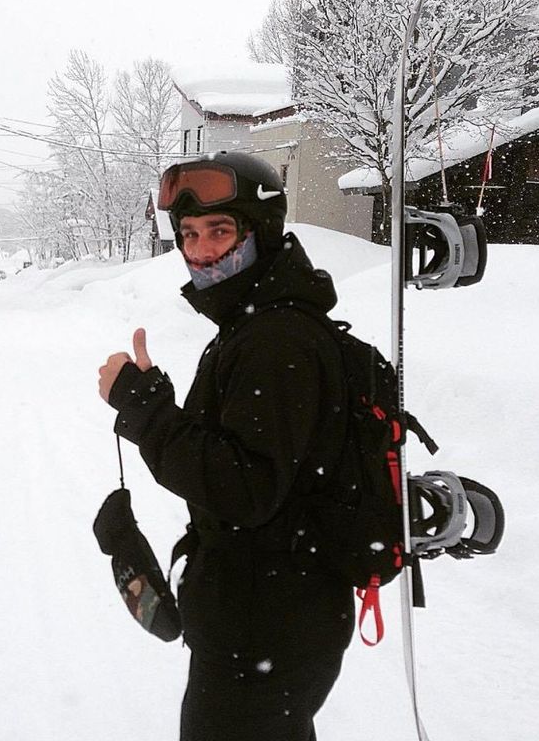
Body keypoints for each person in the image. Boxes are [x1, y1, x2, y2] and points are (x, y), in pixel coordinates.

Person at [97, 151, 353, 741]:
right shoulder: (254, 325)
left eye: (219, 231)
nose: (201, 251)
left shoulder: (276, 337)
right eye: (189, 234)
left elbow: (244, 488)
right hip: (267, 615)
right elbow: (237, 450)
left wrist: (146, 410)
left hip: (267, 625)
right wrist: (156, 401)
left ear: (260, 231)